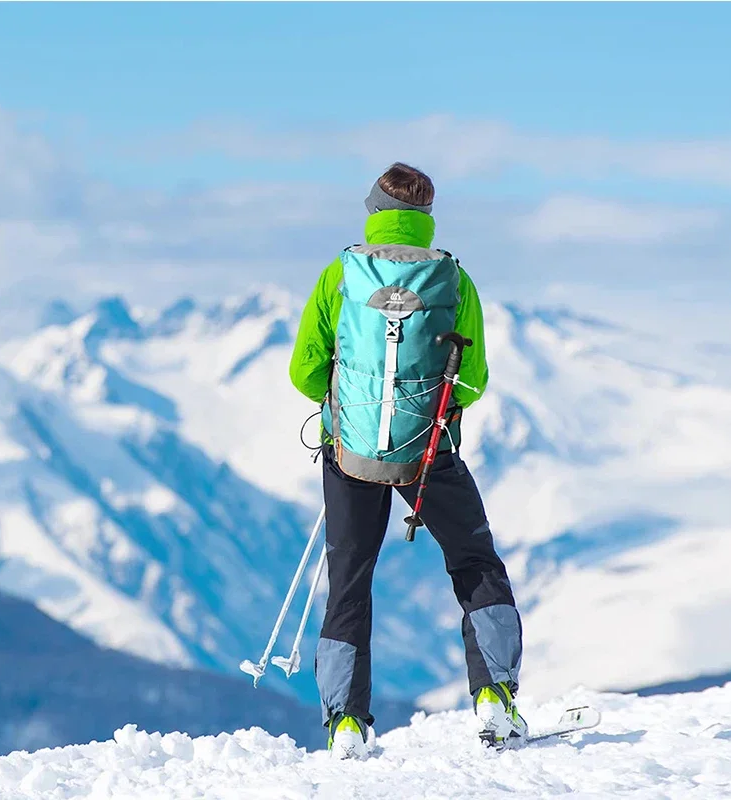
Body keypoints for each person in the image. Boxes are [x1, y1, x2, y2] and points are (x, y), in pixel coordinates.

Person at [289, 162, 525, 759]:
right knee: (474, 562)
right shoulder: (454, 279)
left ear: (373, 211)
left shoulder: (339, 274)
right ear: (427, 216)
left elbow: (304, 371)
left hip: (350, 451)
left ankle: (345, 723)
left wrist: (347, 405)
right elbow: (471, 381)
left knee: (349, 579)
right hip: (430, 451)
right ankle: (495, 695)